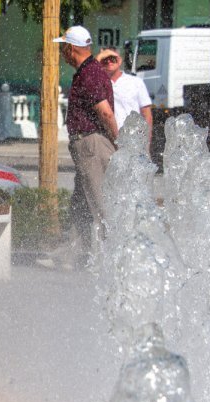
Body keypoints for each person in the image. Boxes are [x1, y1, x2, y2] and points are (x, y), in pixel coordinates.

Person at [54, 25, 118, 266]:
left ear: (71, 49)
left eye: (63, 48)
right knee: (80, 204)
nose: (62, 53)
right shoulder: (89, 71)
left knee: (101, 205)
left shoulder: (90, 74)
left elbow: (105, 113)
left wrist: (117, 142)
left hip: (92, 145)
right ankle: (72, 256)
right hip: (88, 145)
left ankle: (113, 260)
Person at [97, 46, 153, 150]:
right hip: (106, 142)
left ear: (120, 60)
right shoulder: (96, 84)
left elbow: (147, 115)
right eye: (105, 59)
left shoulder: (135, 82)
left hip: (133, 140)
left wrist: (147, 144)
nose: (109, 61)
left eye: (112, 58)